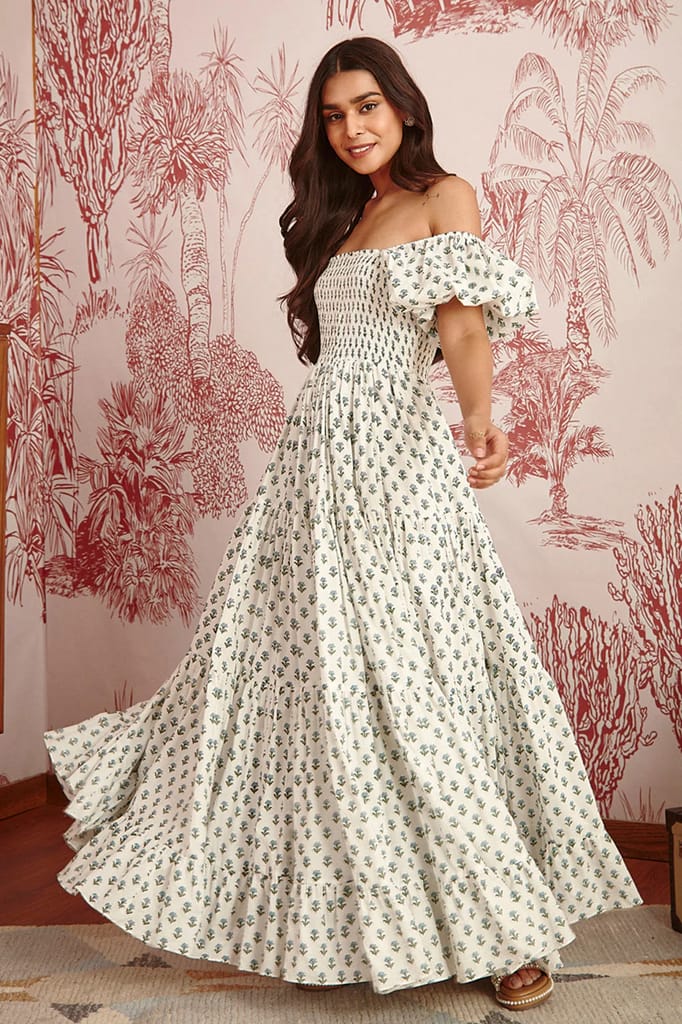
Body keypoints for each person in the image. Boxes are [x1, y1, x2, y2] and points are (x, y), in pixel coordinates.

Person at [45, 36, 642, 1011]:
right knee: (315, 691)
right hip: (311, 469)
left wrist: (480, 421)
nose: (352, 128)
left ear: (403, 106)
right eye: (334, 115)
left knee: (412, 686)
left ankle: (506, 929)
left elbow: (460, 322)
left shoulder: (446, 197)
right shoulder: (344, 215)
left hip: (393, 464)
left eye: (366, 106)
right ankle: (355, 918)